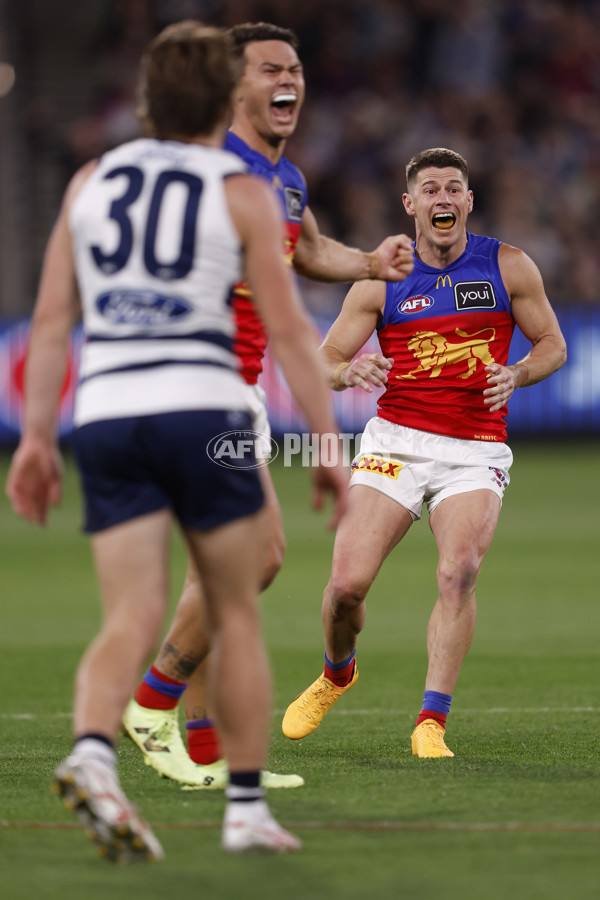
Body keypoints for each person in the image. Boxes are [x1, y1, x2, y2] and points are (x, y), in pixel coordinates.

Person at [6, 21, 350, 860]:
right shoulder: (242, 189)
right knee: (237, 603)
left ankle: (94, 753)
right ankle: (244, 810)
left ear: (144, 99)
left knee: (129, 612)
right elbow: (293, 331)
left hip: (109, 414)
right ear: (219, 96)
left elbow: (52, 322)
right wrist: (330, 443)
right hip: (204, 407)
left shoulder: (92, 176)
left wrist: (37, 439)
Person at [122, 21, 414, 789]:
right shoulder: (211, 167)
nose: (289, 80)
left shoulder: (283, 180)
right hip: (199, 382)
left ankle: (212, 757)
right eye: (269, 69)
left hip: (237, 390)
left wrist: (370, 262)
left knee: (222, 570)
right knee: (257, 556)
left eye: (296, 68)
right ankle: (151, 702)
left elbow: (306, 251)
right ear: (233, 86)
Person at [282, 147, 567, 758]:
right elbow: (326, 359)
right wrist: (349, 372)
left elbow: (553, 345)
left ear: (468, 201)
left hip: (474, 448)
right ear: (411, 205)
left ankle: (430, 721)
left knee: (458, 572)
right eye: (430, 189)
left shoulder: (509, 266)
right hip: (395, 445)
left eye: (454, 188)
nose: (443, 199)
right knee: (344, 590)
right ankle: (337, 674)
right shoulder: (381, 277)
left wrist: (517, 374)